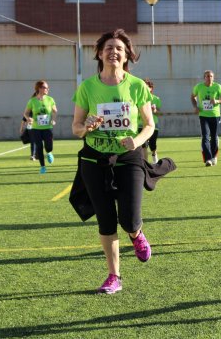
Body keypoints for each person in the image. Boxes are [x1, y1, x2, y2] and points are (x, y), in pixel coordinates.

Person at [71, 29, 156, 295]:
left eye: (119, 48)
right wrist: (86, 127)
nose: (113, 52)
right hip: (95, 159)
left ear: (127, 54)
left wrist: (138, 141)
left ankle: (135, 233)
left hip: (129, 157)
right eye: (108, 47)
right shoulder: (87, 87)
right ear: (99, 53)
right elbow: (75, 128)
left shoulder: (137, 85)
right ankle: (114, 276)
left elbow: (149, 125)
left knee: (129, 219)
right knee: (106, 220)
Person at [190, 70, 221, 166]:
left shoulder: (217, 87)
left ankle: (214, 156)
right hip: (203, 115)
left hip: (215, 115)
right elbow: (192, 96)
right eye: (207, 76)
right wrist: (195, 106)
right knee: (205, 137)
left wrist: (217, 101)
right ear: (204, 78)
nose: (209, 78)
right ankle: (208, 159)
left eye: (211, 76)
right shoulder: (199, 87)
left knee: (214, 137)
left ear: (213, 78)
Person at [23, 81, 57, 174]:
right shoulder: (32, 101)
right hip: (36, 128)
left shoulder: (50, 99)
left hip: (47, 128)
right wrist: (28, 118)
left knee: (48, 146)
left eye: (47, 88)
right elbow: (25, 113)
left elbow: (54, 111)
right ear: (39, 89)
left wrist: (53, 120)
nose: (47, 89)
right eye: (46, 88)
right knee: (39, 147)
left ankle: (49, 152)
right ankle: (43, 167)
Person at [139, 78, 161, 164]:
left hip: (153, 125)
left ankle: (154, 155)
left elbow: (158, 112)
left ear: (151, 88)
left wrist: (154, 110)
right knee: (143, 145)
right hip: (140, 124)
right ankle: (145, 163)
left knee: (152, 144)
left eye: (146, 86)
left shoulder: (156, 99)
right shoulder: (138, 98)